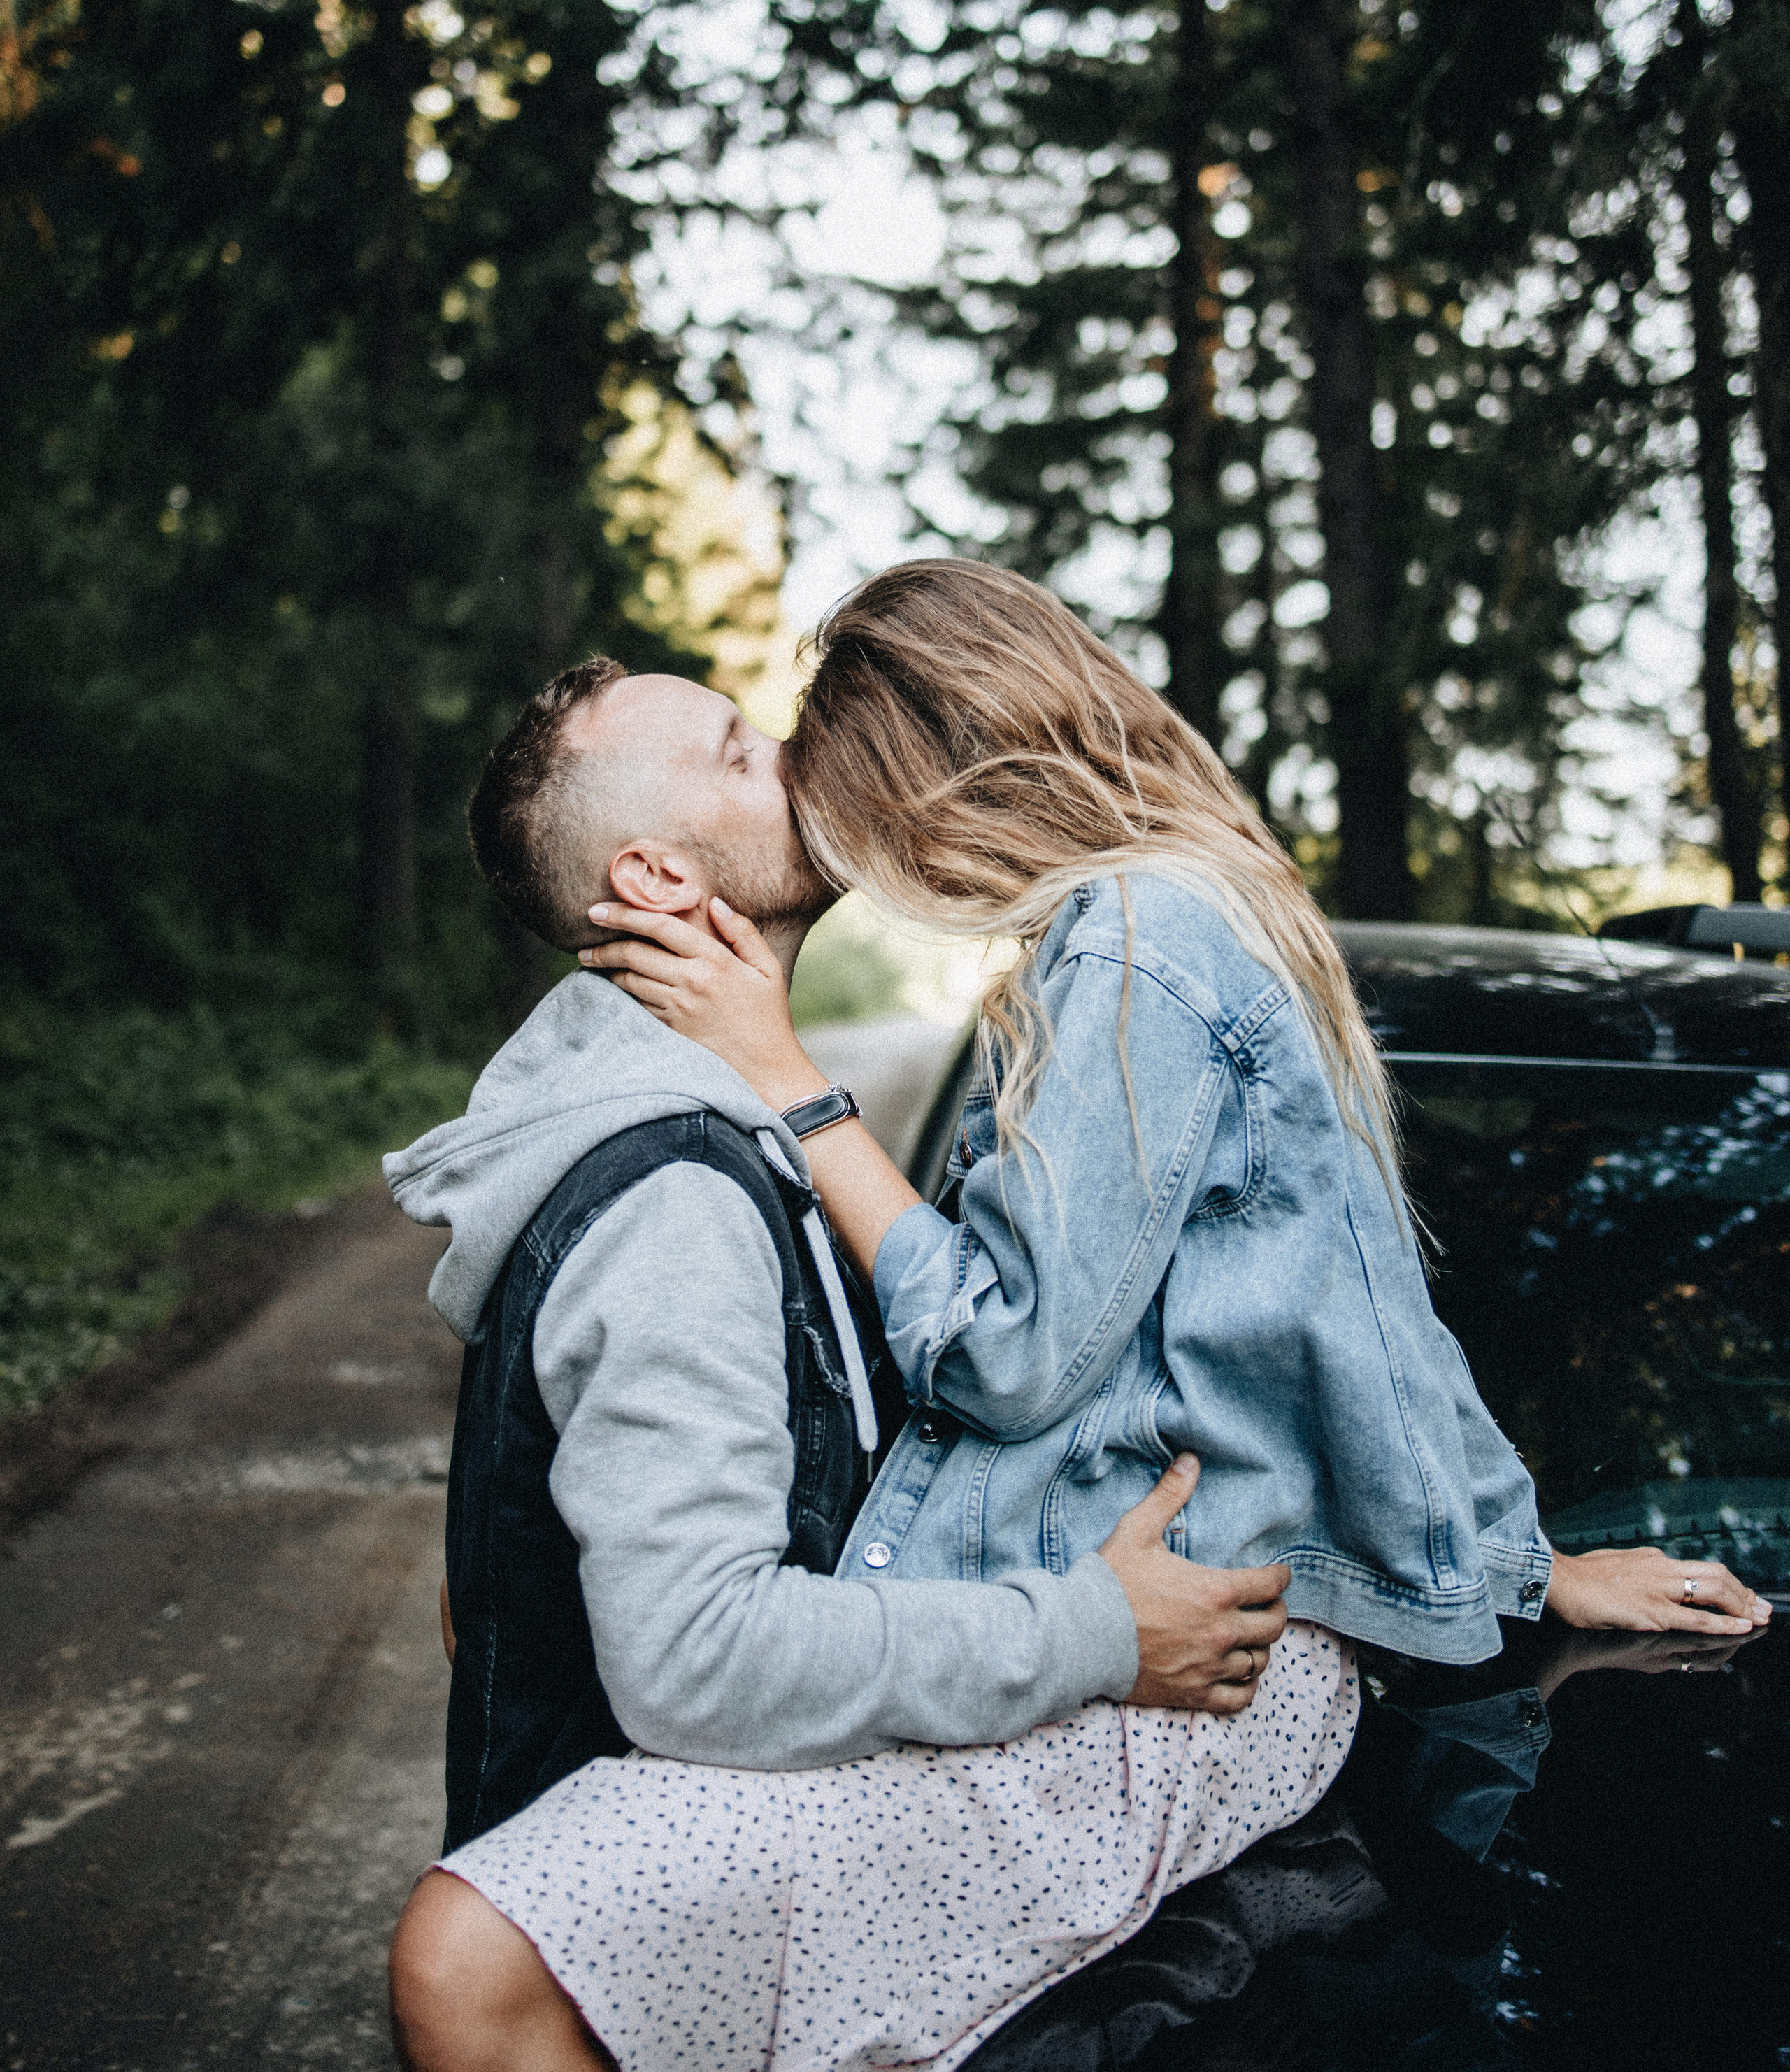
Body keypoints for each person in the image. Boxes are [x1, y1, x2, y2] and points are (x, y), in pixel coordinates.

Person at [387, 656, 1359, 2072]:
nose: (795, 754)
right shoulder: (675, 1195)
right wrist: (1096, 1631)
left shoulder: (738, 1125)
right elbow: (694, 1658)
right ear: (656, 879)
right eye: (736, 753)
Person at [583, 560, 1770, 1663]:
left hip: (1142, 1628)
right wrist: (1522, 1561)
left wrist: (788, 1080)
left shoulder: (1135, 952)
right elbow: (1355, 1299)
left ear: (932, 798)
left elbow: (1004, 1356)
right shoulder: (1190, 916)